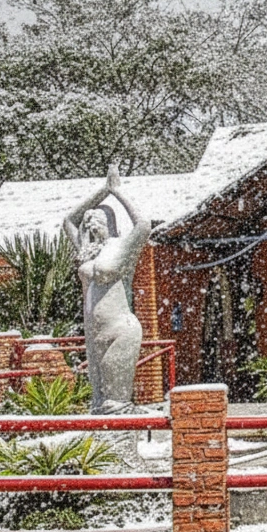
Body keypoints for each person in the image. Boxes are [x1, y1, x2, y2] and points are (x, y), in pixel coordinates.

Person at [63, 166, 151, 413]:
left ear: (110, 225)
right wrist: (102, 190)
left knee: (116, 403)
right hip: (94, 334)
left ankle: (124, 449)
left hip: (120, 329)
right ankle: (103, 451)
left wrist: (117, 192)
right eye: (88, 222)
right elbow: (69, 220)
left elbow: (144, 225)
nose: (91, 225)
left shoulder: (121, 247)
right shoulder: (86, 250)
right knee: (98, 403)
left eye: (97, 221)